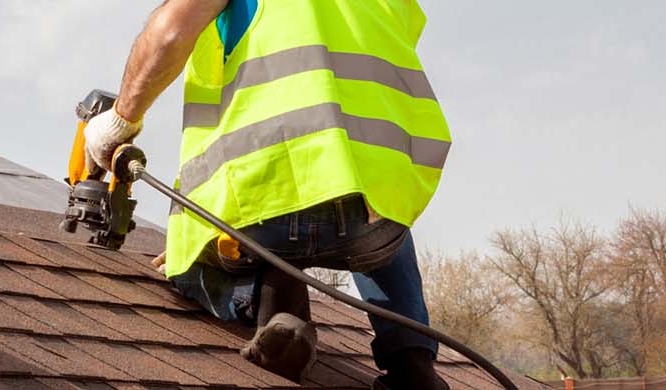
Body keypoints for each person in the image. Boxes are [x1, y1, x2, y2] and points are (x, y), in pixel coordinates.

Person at [82, 0, 453, 387]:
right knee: (379, 215)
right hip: (379, 211)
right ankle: (413, 361)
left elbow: (171, 31)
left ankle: (274, 302)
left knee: (188, 266)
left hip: (269, 196)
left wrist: (119, 122)